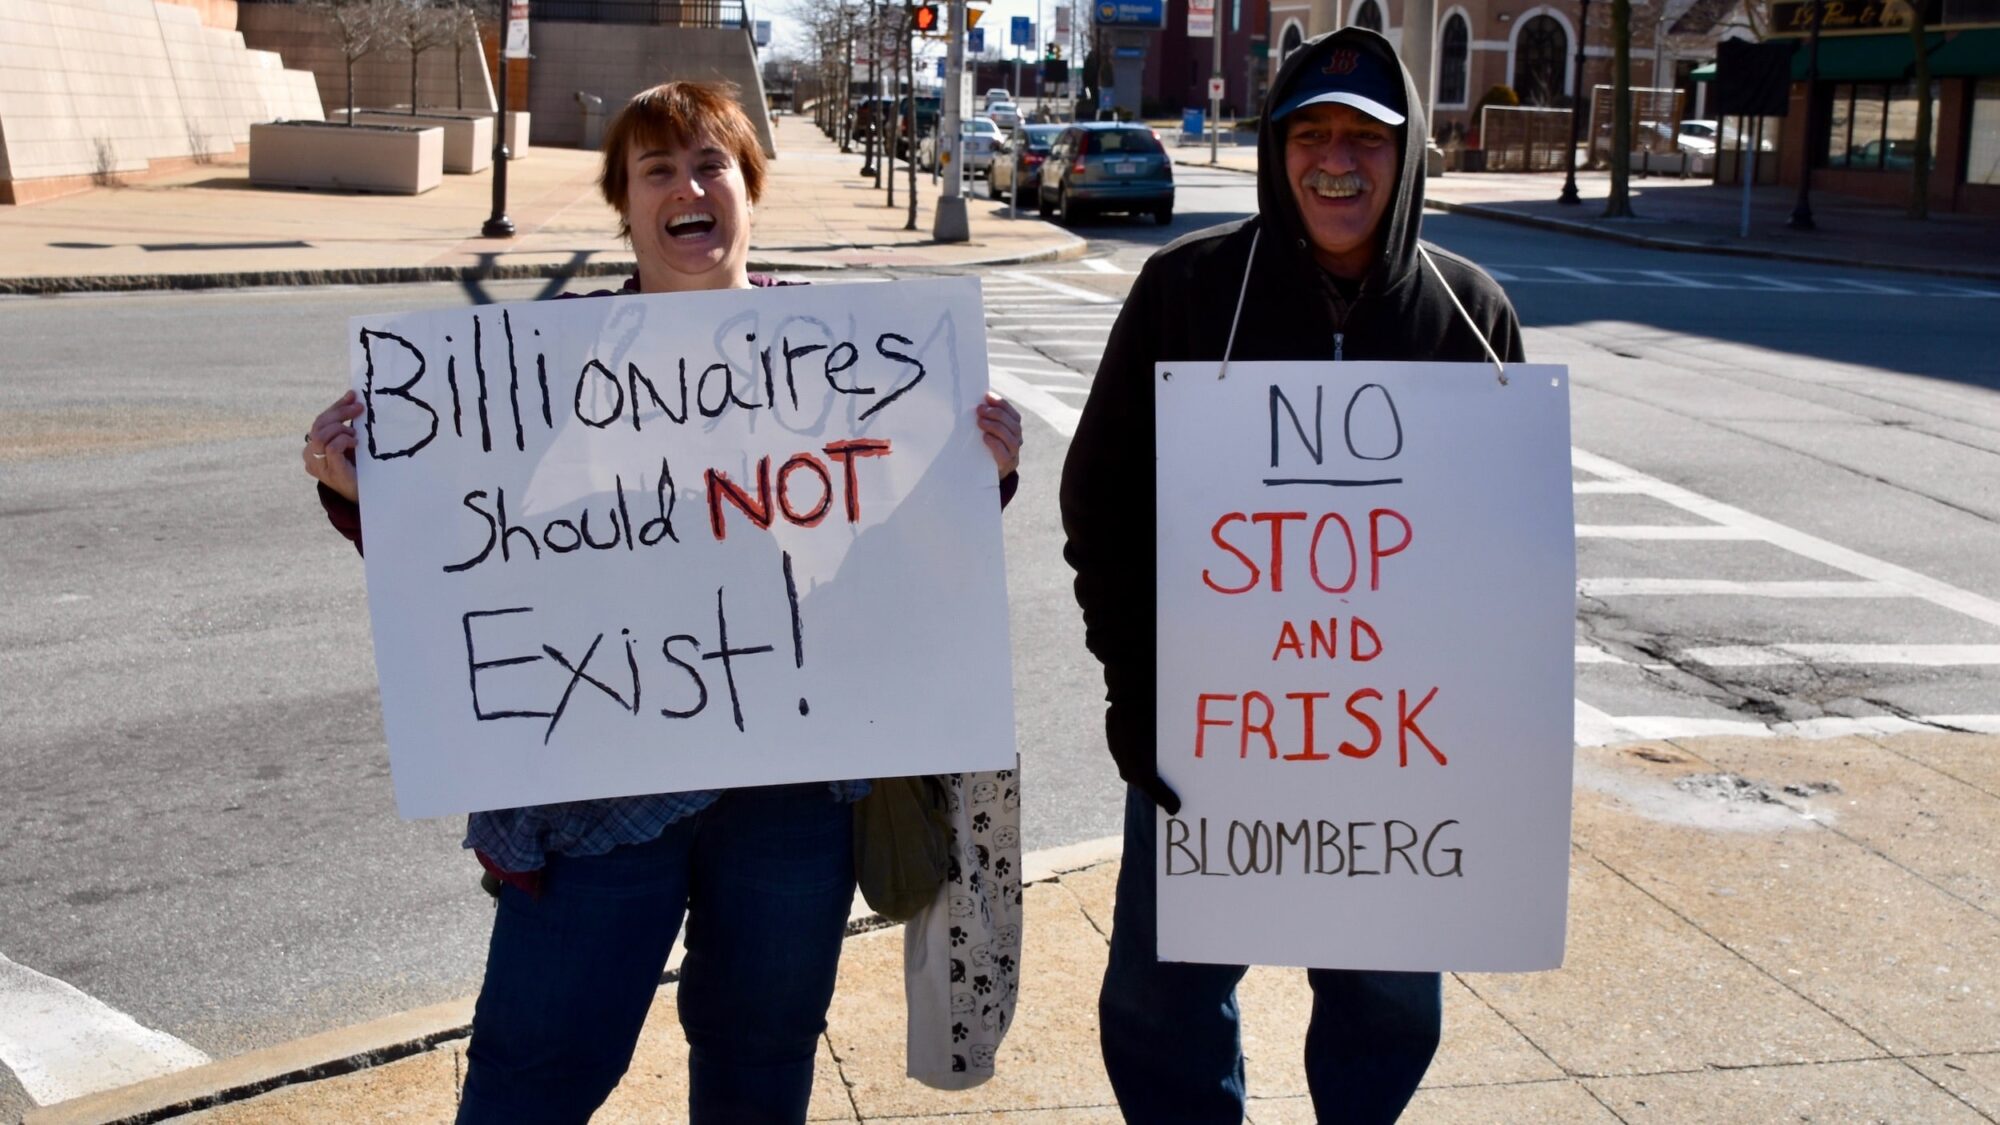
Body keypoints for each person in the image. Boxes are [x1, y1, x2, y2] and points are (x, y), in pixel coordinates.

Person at [301, 81, 1025, 1124]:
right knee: (533, 1072)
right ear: (627, 207)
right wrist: (358, 488)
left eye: (710, 164)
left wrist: (974, 475)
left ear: (750, 189)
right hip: (600, 795)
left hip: (791, 787)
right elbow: (471, 550)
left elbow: (908, 551)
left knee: (761, 1056)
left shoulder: (851, 358)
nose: (687, 187)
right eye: (657, 170)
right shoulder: (535, 370)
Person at [1058, 28, 1525, 1125]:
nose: (1334, 162)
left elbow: (1507, 551)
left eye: (1365, 138)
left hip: (1394, 746)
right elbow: (1102, 502)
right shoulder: (1185, 292)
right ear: (1273, 149)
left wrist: (1487, 731)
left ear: (1404, 159)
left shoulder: (1470, 315)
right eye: (1309, 133)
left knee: (1386, 998)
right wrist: (1138, 693)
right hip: (1208, 730)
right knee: (1164, 996)